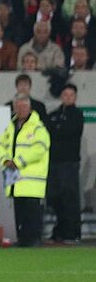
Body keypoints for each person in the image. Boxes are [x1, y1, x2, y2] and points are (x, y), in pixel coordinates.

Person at [0, 94, 50, 247]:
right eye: (18, 106)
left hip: (32, 181)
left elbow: (39, 150)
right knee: (20, 213)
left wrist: (18, 162)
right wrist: (5, 160)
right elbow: (1, 145)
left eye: (23, 106)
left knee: (32, 213)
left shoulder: (38, 128)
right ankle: (23, 240)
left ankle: (33, 241)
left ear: (29, 107)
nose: (20, 109)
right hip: (16, 180)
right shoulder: (11, 126)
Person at [45, 84, 84, 244]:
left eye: (71, 95)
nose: (68, 97)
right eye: (65, 95)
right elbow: (48, 132)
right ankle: (60, 231)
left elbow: (69, 132)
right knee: (55, 199)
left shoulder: (78, 115)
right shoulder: (53, 114)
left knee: (70, 199)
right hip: (54, 162)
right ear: (61, 96)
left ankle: (73, 233)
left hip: (69, 163)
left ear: (75, 97)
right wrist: (58, 129)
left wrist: (57, 129)